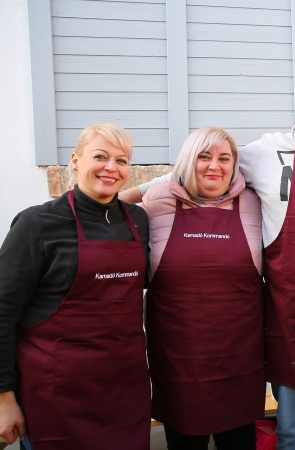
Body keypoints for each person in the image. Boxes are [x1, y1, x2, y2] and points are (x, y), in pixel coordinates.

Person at [122, 67, 295, 450]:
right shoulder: (264, 152)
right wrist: (118, 200)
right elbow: (186, 174)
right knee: (291, 430)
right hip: (292, 319)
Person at [0, 124, 151, 449]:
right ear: (76, 160)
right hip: (55, 394)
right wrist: (4, 399)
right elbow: (2, 314)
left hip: (125, 391)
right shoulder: (37, 224)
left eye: (121, 160)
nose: (111, 167)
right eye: (100, 156)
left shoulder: (137, 221)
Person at [142, 127, 263, 449]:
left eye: (225, 158)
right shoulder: (156, 203)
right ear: (187, 161)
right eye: (204, 157)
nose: (215, 166)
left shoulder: (254, 203)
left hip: (239, 360)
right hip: (178, 362)